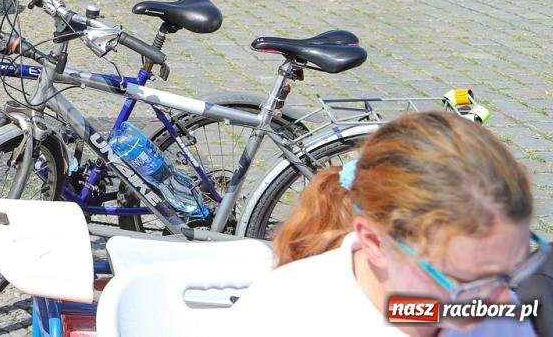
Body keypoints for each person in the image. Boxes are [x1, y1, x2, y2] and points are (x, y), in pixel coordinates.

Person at [230, 110, 546, 335]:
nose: (502, 303)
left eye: (516, 269)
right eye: (466, 282)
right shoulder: (282, 318)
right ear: (374, 242)